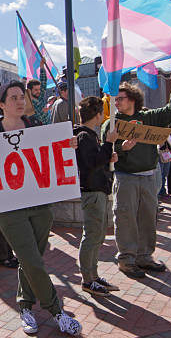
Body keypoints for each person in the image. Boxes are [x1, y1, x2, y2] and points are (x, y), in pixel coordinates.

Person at [0, 81, 82, 336]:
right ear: (1, 104)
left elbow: (54, 156)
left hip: (40, 206)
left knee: (31, 261)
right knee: (31, 259)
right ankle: (57, 312)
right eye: (14, 97)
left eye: (22, 97)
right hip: (8, 209)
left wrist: (68, 146)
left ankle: (25, 306)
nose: (20, 101)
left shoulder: (38, 129)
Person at [101, 71, 171, 279]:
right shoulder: (112, 122)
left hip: (149, 175)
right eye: (115, 99)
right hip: (125, 176)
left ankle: (144, 256)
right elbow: (105, 149)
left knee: (148, 218)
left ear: (133, 99)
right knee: (126, 218)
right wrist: (121, 147)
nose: (116, 103)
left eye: (120, 99)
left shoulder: (148, 117)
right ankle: (126, 260)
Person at [74, 96, 120, 296]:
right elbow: (92, 162)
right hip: (92, 191)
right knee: (92, 236)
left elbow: (96, 160)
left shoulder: (88, 135)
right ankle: (87, 279)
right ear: (98, 115)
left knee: (97, 235)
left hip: (97, 190)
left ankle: (93, 275)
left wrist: (107, 152)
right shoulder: (85, 136)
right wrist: (108, 145)